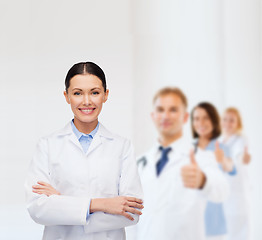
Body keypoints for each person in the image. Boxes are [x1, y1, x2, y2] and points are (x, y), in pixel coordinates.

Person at [25, 62, 143, 240]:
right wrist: (101, 204)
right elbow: (37, 209)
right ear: (67, 96)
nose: (87, 101)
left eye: (95, 92)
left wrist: (61, 204)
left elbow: (132, 213)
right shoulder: (47, 146)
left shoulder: (122, 147)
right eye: (77, 93)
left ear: (105, 95)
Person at [129, 87, 229, 240]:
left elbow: (222, 190)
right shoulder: (140, 162)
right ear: (153, 116)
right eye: (160, 110)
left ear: (185, 117)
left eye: (173, 110)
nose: (166, 116)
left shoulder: (201, 157)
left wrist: (203, 181)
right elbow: (132, 216)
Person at [191, 102, 236, 240]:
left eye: (206, 118)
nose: (201, 123)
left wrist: (223, 161)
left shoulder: (220, 147)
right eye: (197, 118)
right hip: (191, 221)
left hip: (214, 224)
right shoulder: (188, 148)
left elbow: (231, 168)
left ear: (214, 120)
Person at [219, 107, 251, 240]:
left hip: (237, 197)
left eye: (232, 120)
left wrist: (243, 157)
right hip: (223, 195)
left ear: (238, 123)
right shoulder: (219, 141)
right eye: (225, 120)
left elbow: (241, 156)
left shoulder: (241, 140)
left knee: (238, 232)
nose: (227, 123)